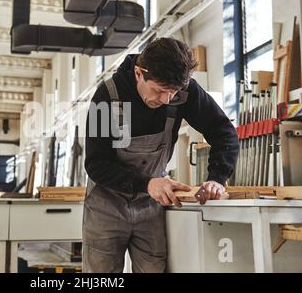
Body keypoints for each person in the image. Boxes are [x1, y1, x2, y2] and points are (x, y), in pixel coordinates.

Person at [83, 37, 239, 273]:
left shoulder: (184, 92)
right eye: (159, 90)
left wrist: (217, 177)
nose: (167, 99)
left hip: (151, 206)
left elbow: (224, 132)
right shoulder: (108, 96)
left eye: (173, 92)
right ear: (138, 73)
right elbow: (96, 164)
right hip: (107, 205)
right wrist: (147, 183)